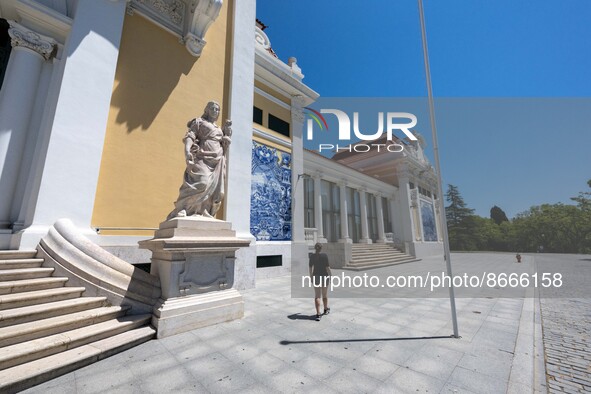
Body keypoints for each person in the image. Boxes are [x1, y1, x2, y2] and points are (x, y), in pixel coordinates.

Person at [167, 101, 232, 219]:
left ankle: (203, 210)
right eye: (213, 108)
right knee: (201, 182)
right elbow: (190, 136)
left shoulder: (218, 129)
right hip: (203, 157)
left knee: (214, 190)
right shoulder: (199, 122)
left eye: (218, 109)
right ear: (206, 110)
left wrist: (226, 137)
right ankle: (183, 208)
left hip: (217, 160)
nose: (216, 111)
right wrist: (187, 151)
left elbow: (223, 143)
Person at [309, 242, 331, 321]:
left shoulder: (312, 256)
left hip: (316, 277)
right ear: (321, 248)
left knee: (317, 296)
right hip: (324, 276)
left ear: (315, 248)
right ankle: (325, 309)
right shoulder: (324, 256)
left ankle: (318, 314)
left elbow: (310, 267)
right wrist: (331, 276)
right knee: (324, 295)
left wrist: (311, 277)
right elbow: (327, 268)